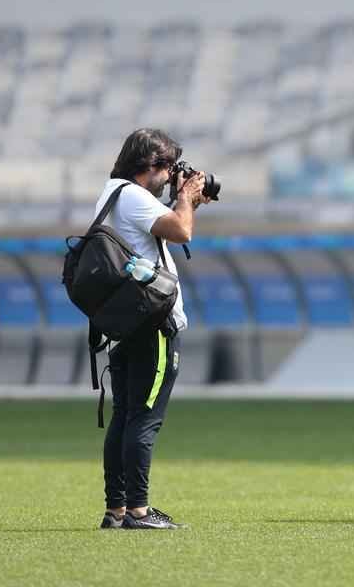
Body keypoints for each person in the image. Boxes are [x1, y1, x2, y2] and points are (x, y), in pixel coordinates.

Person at [97, 128, 211, 531]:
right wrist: (186, 200)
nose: (170, 177)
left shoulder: (112, 194)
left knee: (125, 416)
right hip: (153, 324)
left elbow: (161, 227)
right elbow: (181, 231)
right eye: (168, 168)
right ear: (150, 165)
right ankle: (139, 511)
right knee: (144, 418)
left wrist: (185, 201)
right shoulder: (134, 196)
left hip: (125, 323)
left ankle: (117, 509)